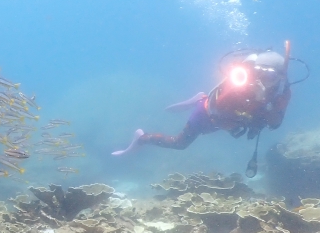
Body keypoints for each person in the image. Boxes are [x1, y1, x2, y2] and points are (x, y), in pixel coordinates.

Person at [112, 42, 292, 158]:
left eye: (273, 77)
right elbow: (219, 107)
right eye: (262, 73)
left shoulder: (281, 93)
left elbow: (274, 124)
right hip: (207, 113)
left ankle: (200, 97)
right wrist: (246, 96)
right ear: (255, 70)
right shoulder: (240, 82)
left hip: (230, 122)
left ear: (281, 78)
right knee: (179, 144)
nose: (265, 80)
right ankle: (142, 139)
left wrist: (266, 105)